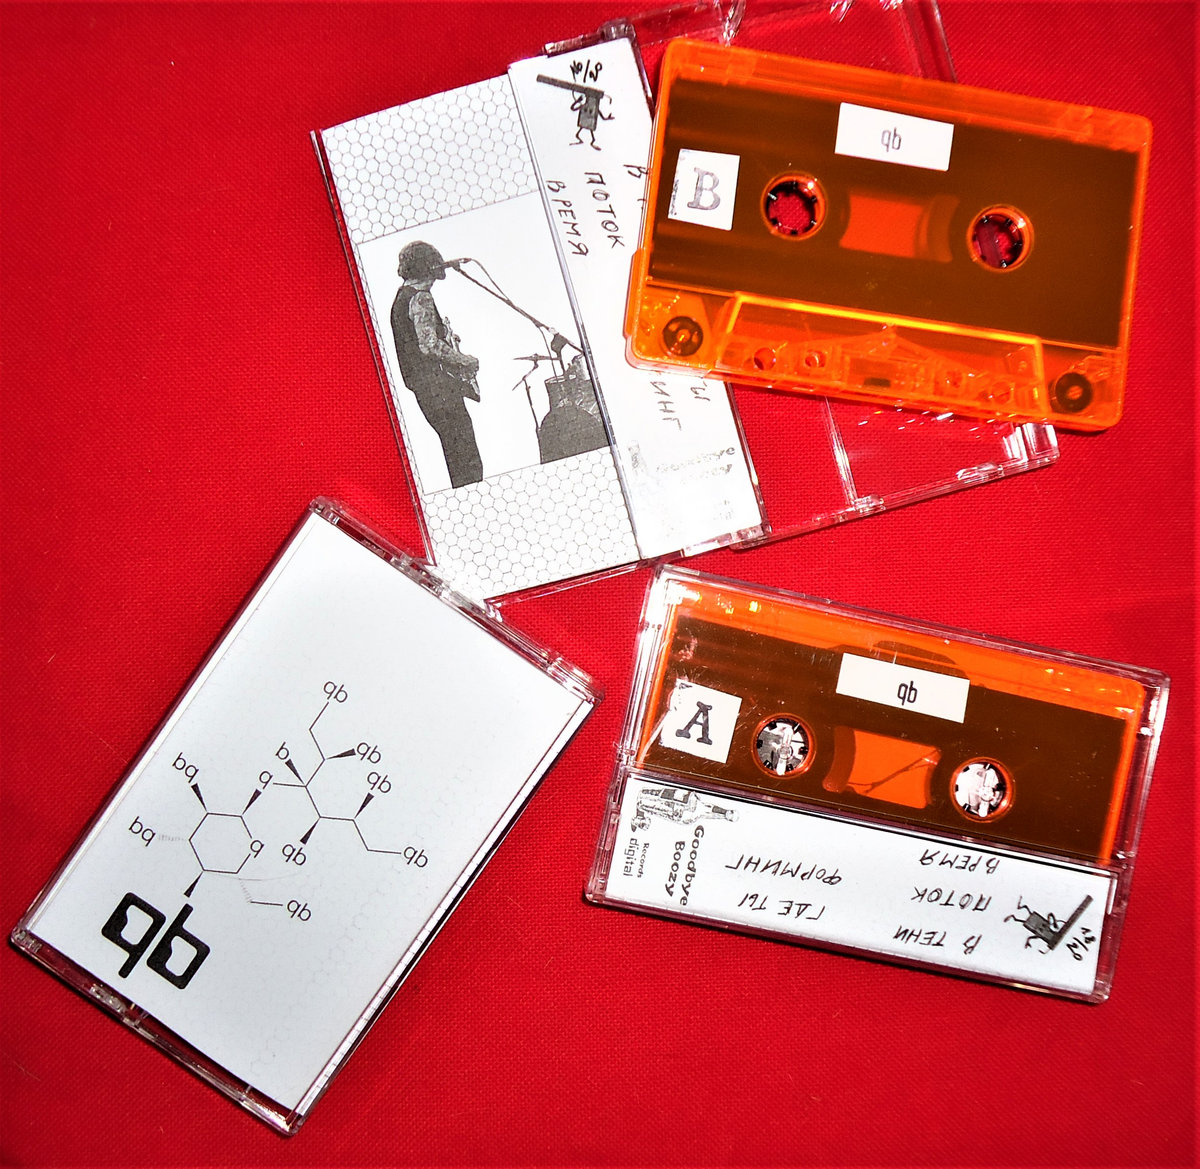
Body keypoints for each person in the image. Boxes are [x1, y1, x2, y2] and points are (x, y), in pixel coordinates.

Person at [390, 241, 483, 488]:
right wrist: (465, 360)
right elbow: (429, 345)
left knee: (454, 451)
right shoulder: (420, 298)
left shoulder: (401, 298)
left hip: (425, 390)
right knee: (466, 456)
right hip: (439, 389)